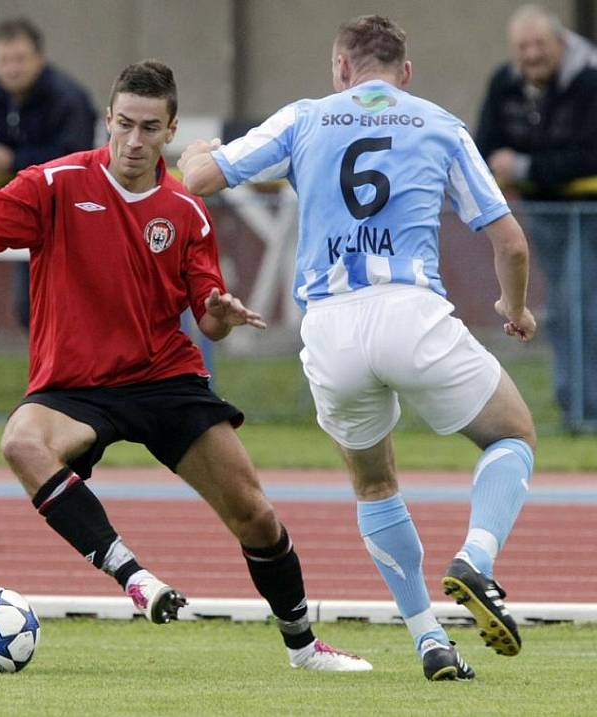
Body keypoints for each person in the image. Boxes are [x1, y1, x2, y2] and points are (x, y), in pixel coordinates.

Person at [0, 60, 371, 674]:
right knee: (21, 441)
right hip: (76, 386)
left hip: (165, 379)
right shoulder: (55, 184)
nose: (135, 141)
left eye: (150, 127)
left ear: (171, 130)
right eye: (124, 125)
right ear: (108, 121)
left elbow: (209, 320)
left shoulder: (187, 212)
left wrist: (221, 311)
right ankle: (134, 576)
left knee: (254, 513)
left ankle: (304, 647)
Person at [179, 15, 537, 681]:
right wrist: (512, 308)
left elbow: (202, 178)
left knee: (374, 480)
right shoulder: (439, 122)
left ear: (340, 68)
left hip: (332, 327)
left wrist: (194, 151)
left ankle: (428, 636)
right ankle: (477, 559)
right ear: (405, 73)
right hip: (411, 312)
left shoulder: (306, 117)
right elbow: (510, 242)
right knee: (512, 435)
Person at [476, 4, 597, 428]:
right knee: (565, 311)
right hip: (542, 213)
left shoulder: (590, 79)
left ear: (561, 44)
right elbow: (485, 143)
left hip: (588, 212)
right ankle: (577, 409)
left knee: (581, 308)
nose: (531, 55)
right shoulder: (505, 83)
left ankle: (585, 412)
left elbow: (588, 155)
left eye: (540, 45)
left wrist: (523, 166)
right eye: (523, 47)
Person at [0, 17, 97, 329]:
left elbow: (76, 158)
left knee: (79, 305)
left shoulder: (67, 97)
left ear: (40, 58)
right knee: (31, 310)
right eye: (3, 61)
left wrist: (13, 160)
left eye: (20, 59)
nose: (12, 68)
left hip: (74, 210)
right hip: (20, 208)